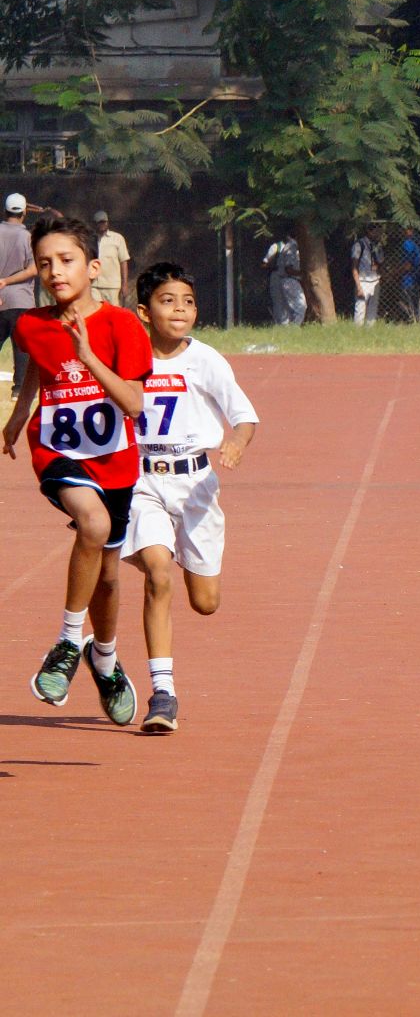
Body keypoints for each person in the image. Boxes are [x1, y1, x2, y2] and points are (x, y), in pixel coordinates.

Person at [3, 216, 153, 726]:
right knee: (92, 523)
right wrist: (19, 416)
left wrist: (89, 356)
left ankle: (104, 661)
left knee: (109, 577)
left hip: (115, 459)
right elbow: (41, 373)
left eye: (65, 261)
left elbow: (133, 404)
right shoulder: (30, 325)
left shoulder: (123, 325)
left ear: (93, 267)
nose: (54, 271)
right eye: (44, 263)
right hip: (57, 451)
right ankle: (68, 643)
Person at [122, 263, 260, 733]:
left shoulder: (206, 360)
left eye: (188, 301)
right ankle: (164, 694)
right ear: (143, 311)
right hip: (144, 482)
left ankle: (170, 549)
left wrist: (237, 443)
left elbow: (244, 417)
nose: (180, 309)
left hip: (197, 486)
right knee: (158, 574)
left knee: (205, 602)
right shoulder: (127, 357)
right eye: (167, 301)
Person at [1, 193, 39, 391]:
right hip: (22, 300)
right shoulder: (27, 237)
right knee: (22, 347)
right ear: (24, 212)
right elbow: (33, 270)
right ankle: (18, 389)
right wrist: (7, 280)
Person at [92, 211, 133, 309]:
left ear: (107, 223)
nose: (102, 225)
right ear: (95, 224)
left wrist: (124, 284)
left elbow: (124, 262)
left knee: (113, 312)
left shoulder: (117, 239)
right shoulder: (90, 239)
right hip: (93, 285)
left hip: (112, 285)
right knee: (96, 312)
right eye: (100, 222)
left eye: (104, 222)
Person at [262, 235, 305, 326]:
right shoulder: (277, 246)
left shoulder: (296, 246)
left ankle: (288, 327)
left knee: (289, 306)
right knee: (279, 304)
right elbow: (265, 264)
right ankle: (285, 326)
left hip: (287, 277)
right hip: (278, 276)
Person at [348, 227, 384, 326]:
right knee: (360, 308)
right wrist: (358, 286)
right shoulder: (359, 245)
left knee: (373, 309)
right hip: (363, 280)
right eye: (375, 230)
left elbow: (381, 261)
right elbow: (354, 266)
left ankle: (370, 330)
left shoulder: (377, 245)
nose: (377, 233)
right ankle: (357, 331)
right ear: (368, 231)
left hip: (375, 279)